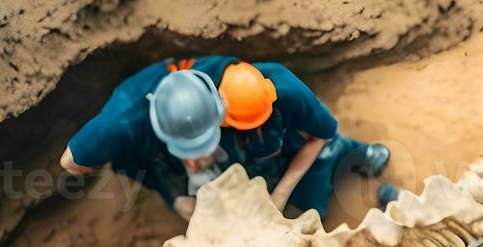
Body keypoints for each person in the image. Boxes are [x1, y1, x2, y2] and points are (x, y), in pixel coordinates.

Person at [60, 56, 390, 218]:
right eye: (189, 149)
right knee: (193, 204)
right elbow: (72, 162)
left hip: (278, 145)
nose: (198, 157)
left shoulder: (274, 88)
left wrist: (280, 194)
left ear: (218, 111)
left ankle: (358, 157)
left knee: (312, 200)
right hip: (158, 153)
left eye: (205, 142)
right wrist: (171, 192)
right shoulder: (123, 125)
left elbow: (321, 135)